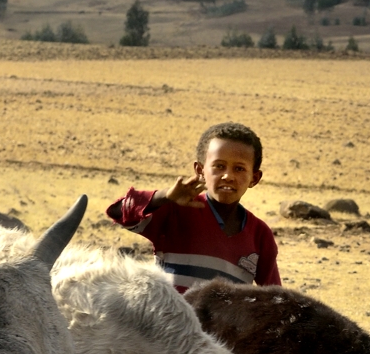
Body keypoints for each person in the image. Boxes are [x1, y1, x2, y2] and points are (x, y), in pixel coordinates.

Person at [106, 121, 280, 292]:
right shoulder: (175, 211)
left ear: (254, 178)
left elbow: (276, 298)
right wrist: (165, 197)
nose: (228, 176)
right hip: (171, 320)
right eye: (219, 166)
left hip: (224, 322)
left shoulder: (260, 235)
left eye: (239, 169)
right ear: (200, 170)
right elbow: (118, 211)